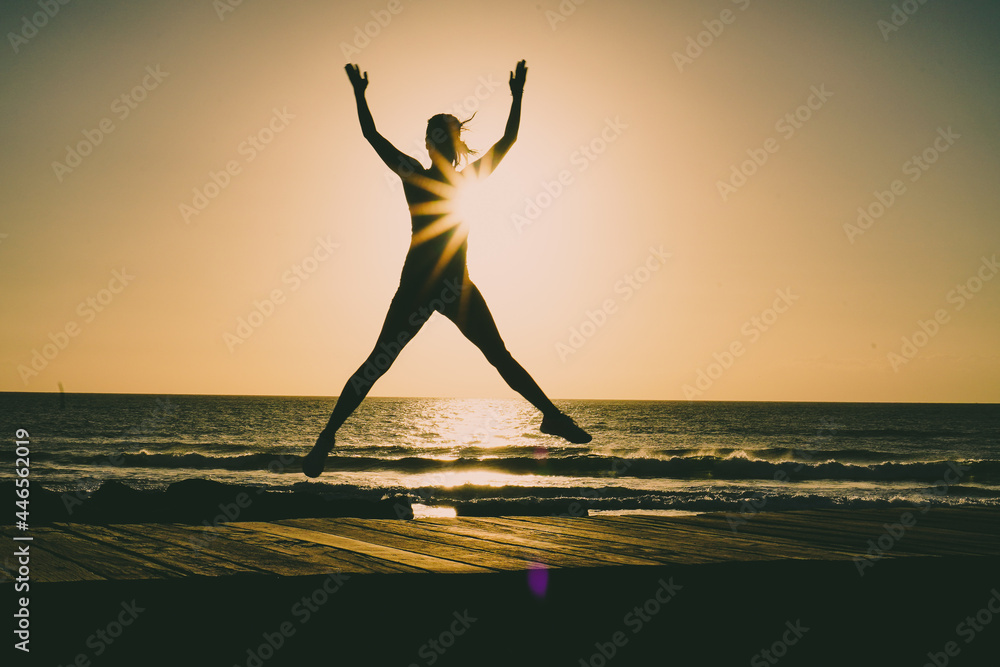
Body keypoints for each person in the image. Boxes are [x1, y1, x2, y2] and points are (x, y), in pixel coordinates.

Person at [302, 60, 591, 478]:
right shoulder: (417, 176)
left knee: (499, 356)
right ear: (428, 143)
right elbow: (371, 135)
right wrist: (360, 94)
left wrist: (517, 95)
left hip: (455, 286)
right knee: (378, 363)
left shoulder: (464, 180)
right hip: (420, 287)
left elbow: (508, 139)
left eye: (442, 135)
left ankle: (551, 416)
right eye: (431, 135)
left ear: (451, 142)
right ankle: (326, 438)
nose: (434, 141)